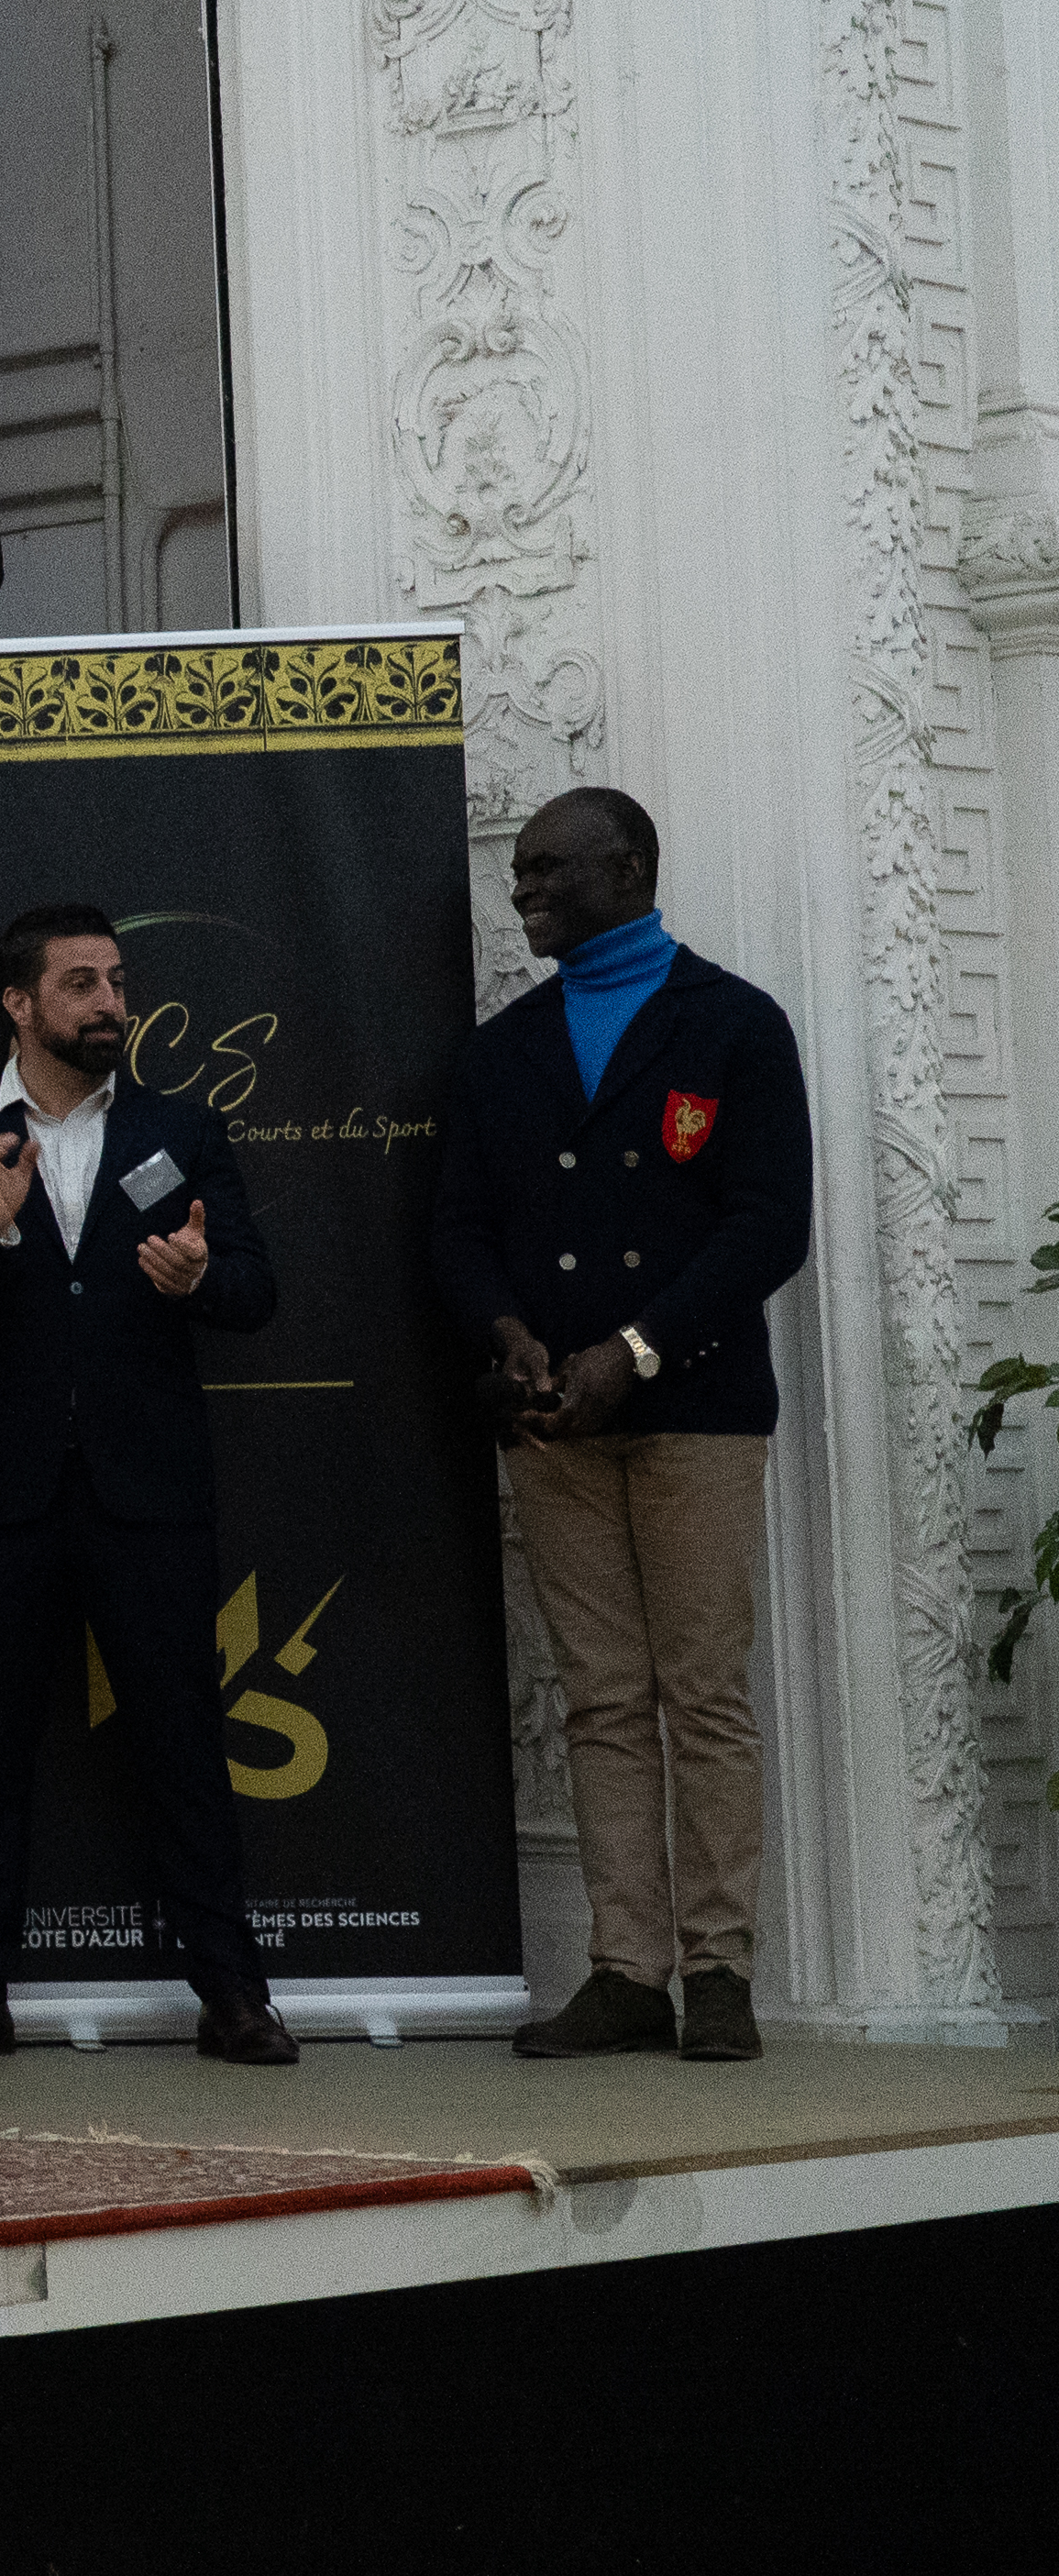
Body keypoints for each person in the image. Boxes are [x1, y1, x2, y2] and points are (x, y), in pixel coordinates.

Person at [0, 902, 298, 2071]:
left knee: (181, 1745)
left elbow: (256, 1291)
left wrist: (201, 1276)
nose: (110, 1002)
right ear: (20, 1003)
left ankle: (235, 1996)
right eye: (81, 984)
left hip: (147, 1490)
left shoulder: (183, 1125)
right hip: (1, 1495)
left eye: (116, 980)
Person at [436, 788, 812, 2066]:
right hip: (550, 1420)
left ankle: (718, 1973)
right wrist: (508, 1336)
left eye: (550, 869)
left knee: (702, 1694)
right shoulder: (504, 1048)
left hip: (693, 1409)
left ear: (631, 866)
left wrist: (635, 1353)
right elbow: (460, 1226)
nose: (525, 887)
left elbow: (769, 1224)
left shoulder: (734, 1026)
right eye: (520, 870)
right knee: (600, 1699)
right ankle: (625, 1972)